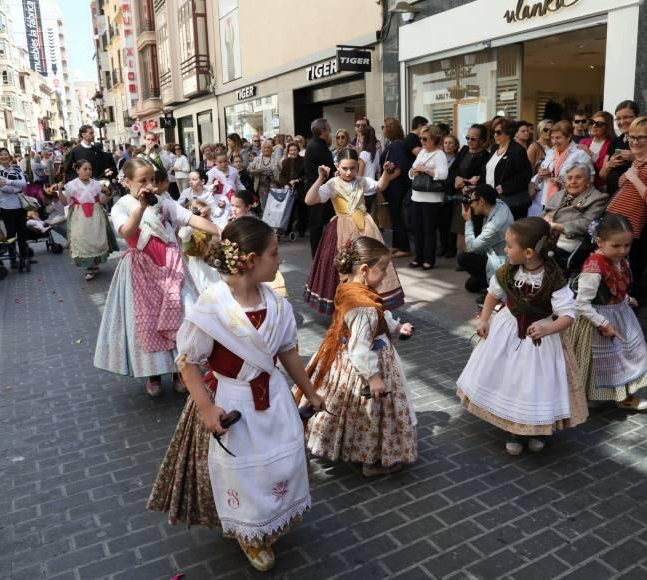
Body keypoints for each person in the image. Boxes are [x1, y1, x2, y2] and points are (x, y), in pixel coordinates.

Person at [147, 217, 324, 572]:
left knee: (279, 460)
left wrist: (309, 391)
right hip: (234, 401)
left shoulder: (276, 304)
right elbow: (188, 361)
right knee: (242, 472)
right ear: (250, 260)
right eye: (274, 254)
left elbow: (288, 351)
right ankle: (249, 533)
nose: (280, 261)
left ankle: (270, 517)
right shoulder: (212, 307)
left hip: (274, 397)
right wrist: (207, 407)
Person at [457, 217, 587, 455]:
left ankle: (536, 428)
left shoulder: (553, 277)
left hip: (540, 338)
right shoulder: (507, 271)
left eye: (508, 246)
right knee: (511, 381)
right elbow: (492, 295)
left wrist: (548, 329)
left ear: (528, 252)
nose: (505, 250)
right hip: (508, 330)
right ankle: (513, 430)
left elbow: (568, 315)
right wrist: (484, 319)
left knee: (536, 382)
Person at [93, 158, 220, 397]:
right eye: (143, 181)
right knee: (147, 323)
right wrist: (141, 207)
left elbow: (190, 218)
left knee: (183, 317)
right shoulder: (122, 206)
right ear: (127, 181)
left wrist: (222, 230)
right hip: (141, 271)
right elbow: (127, 231)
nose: (149, 185)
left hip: (172, 266)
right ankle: (152, 374)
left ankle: (179, 372)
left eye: (152, 180)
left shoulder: (163, 202)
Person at [302, 236, 417, 477]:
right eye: (382, 269)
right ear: (365, 270)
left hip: (343, 359)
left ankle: (354, 450)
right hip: (366, 364)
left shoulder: (349, 288)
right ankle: (371, 460)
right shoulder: (362, 304)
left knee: (352, 411)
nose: (385, 275)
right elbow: (360, 347)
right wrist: (373, 376)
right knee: (371, 413)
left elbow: (379, 315)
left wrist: (396, 327)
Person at [571, 215, 647, 412]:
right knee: (597, 360)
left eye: (627, 245)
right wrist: (602, 323)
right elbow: (581, 304)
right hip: (597, 320)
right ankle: (584, 397)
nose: (623, 250)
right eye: (616, 246)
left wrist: (625, 298)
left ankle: (624, 395)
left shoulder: (621, 261)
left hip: (620, 315)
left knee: (628, 355)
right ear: (600, 242)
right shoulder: (593, 268)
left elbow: (616, 286)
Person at [304, 149, 402, 314]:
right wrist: (321, 178)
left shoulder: (361, 181)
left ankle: (367, 301)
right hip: (341, 229)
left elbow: (380, 186)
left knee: (370, 265)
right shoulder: (332, 184)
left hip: (365, 227)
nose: (349, 172)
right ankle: (346, 305)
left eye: (353, 168)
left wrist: (385, 172)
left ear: (358, 166)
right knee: (344, 267)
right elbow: (309, 200)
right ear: (337, 166)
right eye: (345, 168)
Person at [605, 116, 647, 259]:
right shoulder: (637, 161)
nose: (634, 142)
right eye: (631, 137)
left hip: (627, 231)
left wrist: (634, 178)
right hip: (613, 225)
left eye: (641, 138)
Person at [543, 163, 609, 277]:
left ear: (588, 180)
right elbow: (544, 213)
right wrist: (543, 219)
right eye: (569, 178)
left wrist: (560, 227)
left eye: (578, 177)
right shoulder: (558, 195)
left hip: (570, 239)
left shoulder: (598, 198)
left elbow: (588, 223)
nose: (573, 181)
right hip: (547, 233)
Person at [58, 160, 117, 281]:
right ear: (77, 170)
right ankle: (89, 267)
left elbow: (103, 201)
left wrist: (107, 193)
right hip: (79, 215)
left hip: (96, 214)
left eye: (90, 169)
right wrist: (59, 191)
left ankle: (94, 264)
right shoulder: (71, 185)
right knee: (83, 239)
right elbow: (65, 202)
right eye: (85, 169)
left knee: (95, 238)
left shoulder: (96, 184)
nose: (88, 171)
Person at [530, 120, 594, 217]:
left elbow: (590, 179)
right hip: (548, 200)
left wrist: (562, 181)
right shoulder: (551, 152)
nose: (554, 141)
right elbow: (540, 180)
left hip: (569, 202)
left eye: (558, 138)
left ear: (568, 137)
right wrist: (540, 174)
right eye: (552, 138)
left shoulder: (580, 154)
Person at [458, 183, 513, 294]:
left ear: (482, 201)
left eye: (472, 201)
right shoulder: (499, 204)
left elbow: (471, 248)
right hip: (494, 253)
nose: (471, 205)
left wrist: (468, 221)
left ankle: (496, 290)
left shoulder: (495, 226)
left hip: (500, 263)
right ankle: (490, 283)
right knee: (470, 286)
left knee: (463, 258)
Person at [408, 124, 449, 271]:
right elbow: (411, 171)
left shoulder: (439, 154)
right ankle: (418, 257)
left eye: (425, 139)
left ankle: (428, 260)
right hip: (417, 196)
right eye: (421, 138)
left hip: (431, 198)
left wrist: (425, 169)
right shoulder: (422, 153)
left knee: (429, 231)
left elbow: (443, 174)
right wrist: (413, 172)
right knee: (417, 229)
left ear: (434, 139)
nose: (422, 142)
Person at [448, 124, 490, 259]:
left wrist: (472, 184)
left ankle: (470, 256)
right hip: (460, 194)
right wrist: (457, 178)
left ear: (482, 141)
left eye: (473, 139)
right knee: (459, 226)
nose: (469, 141)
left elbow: (484, 178)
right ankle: (461, 256)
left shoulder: (485, 156)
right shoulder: (464, 150)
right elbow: (453, 169)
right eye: (467, 138)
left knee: (472, 226)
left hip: (474, 196)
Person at [485, 118, 533, 220]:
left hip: (511, 202)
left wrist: (505, 187)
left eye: (498, 132)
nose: (495, 135)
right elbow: (489, 170)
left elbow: (526, 175)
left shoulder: (517, 150)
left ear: (508, 133)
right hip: (493, 199)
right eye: (494, 132)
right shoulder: (494, 148)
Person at [0, 148, 31, 272]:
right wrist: (17, 187)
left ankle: (24, 256)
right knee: (11, 235)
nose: (3, 157)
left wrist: (9, 181)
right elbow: (4, 189)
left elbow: (24, 183)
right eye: (0, 155)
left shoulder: (17, 168)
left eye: (5, 154)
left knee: (22, 233)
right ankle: (13, 259)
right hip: (6, 207)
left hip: (20, 205)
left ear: (9, 155)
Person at [380, 118, 412, 257]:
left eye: (384, 126)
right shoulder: (392, 144)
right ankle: (396, 245)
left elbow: (399, 169)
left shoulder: (398, 145)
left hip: (397, 187)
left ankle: (404, 247)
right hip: (392, 187)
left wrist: (384, 181)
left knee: (397, 216)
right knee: (394, 216)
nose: (382, 129)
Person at [304, 118, 335, 256]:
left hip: (317, 188)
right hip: (318, 189)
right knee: (318, 224)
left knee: (319, 224)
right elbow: (329, 169)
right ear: (323, 130)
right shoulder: (318, 147)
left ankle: (319, 254)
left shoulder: (316, 145)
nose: (330, 131)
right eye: (328, 128)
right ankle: (317, 255)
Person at [602, 100, 641, 195]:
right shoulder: (616, 141)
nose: (622, 122)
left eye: (626, 117)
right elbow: (602, 174)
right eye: (618, 119)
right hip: (612, 196)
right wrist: (609, 165)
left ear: (637, 117)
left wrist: (634, 158)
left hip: (633, 197)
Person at [579, 112, 616, 191]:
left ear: (607, 127)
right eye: (592, 122)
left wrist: (590, 153)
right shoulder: (583, 142)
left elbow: (604, 168)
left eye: (599, 124)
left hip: (600, 188)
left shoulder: (611, 144)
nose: (594, 126)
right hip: (581, 187)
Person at [278, 142, 307, 236]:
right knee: (289, 210)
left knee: (302, 211)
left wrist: (297, 180)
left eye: (295, 150)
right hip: (289, 189)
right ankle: (287, 229)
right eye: (291, 150)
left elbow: (306, 175)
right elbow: (282, 175)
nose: (293, 152)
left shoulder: (304, 160)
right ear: (288, 151)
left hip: (301, 188)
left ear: (298, 150)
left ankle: (302, 230)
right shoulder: (285, 161)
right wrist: (285, 184)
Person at [438, 134, 460, 258]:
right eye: (445, 143)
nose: (447, 145)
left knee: (451, 222)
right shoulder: (439, 158)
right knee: (442, 223)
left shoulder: (458, 159)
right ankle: (443, 246)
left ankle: (451, 248)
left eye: (450, 143)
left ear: (456, 146)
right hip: (439, 193)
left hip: (452, 194)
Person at [247, 141, 278, 210]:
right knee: (264, 206)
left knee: (273, 206)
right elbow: (248, 170)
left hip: (274, 185)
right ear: (261, 149)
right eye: (264, 148)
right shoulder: (257, 159)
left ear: (272, 149)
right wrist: (258, 171)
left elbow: (281, 172)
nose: (266, 149)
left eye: (268, 148)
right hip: (261, 186)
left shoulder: (276, 160)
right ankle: (264, 220)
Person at [357, 125, 381, 213]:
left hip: (364, 191)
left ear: (364, 138)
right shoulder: (376, 153)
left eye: (360, 136)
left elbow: (360, 175)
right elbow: (377, 170)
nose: (359, 139)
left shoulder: (363, 154)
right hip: (373, 189)